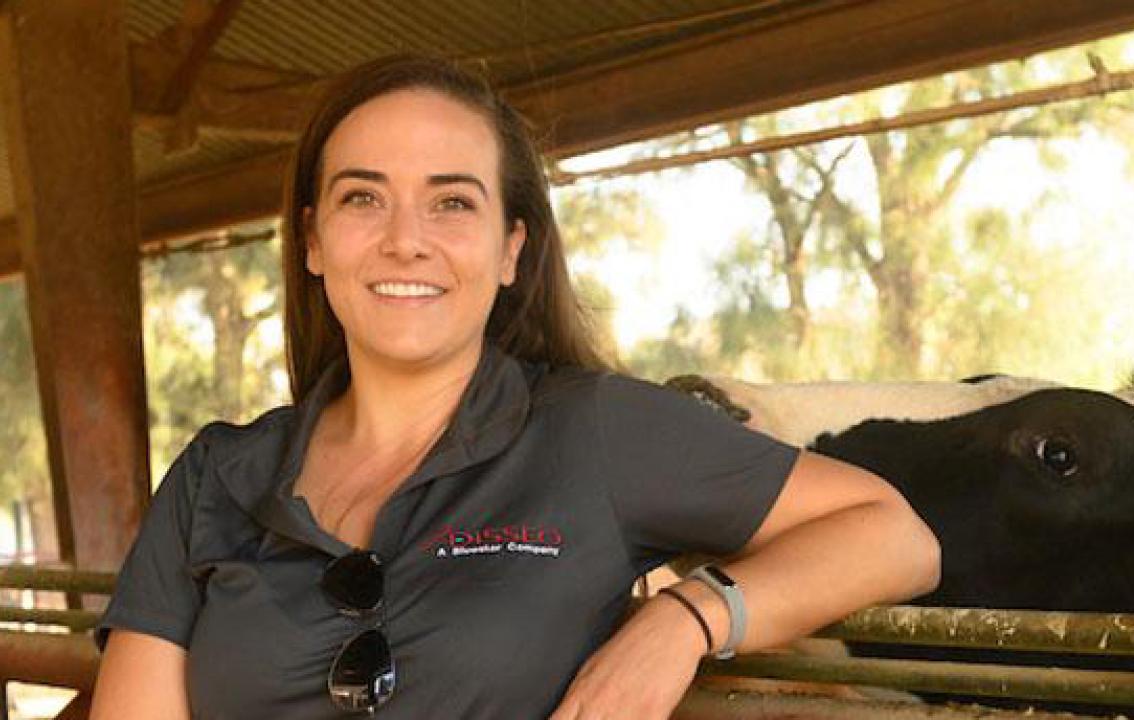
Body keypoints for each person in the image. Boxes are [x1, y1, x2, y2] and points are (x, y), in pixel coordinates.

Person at [89, 54, 940, 719]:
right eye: (362, 199)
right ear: (313, 241)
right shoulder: (215, 477)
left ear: (511, 250)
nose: (405, 241)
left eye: (452, 203)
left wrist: (685, 620)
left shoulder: (594, 429)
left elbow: (894, 534)